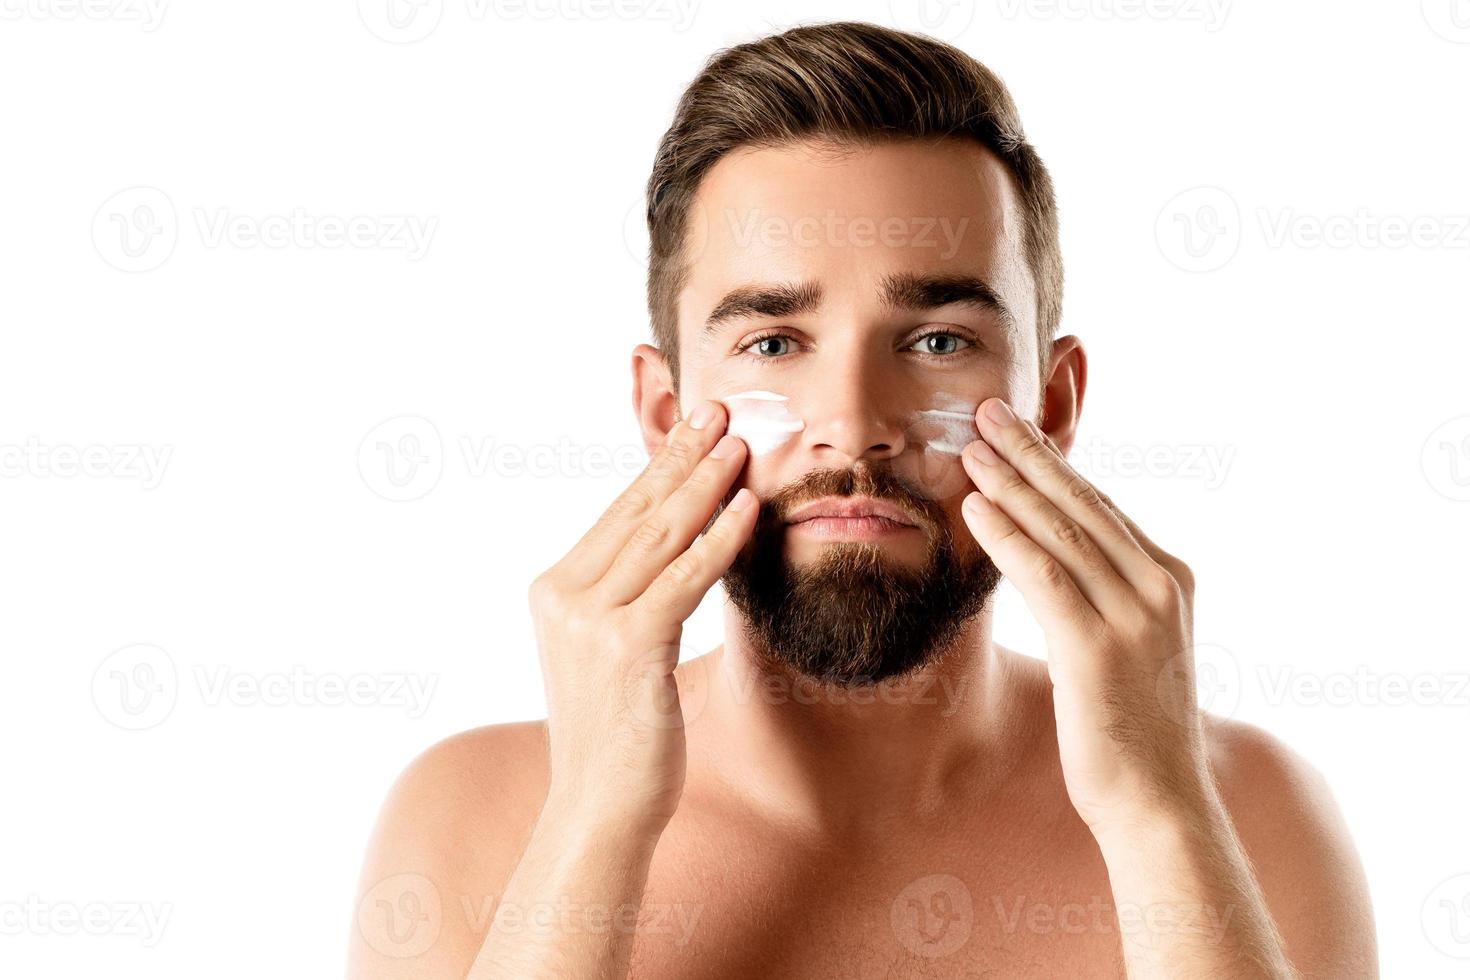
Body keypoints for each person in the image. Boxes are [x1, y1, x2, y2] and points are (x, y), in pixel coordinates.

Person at [348, 21, 1376, 979]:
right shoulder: (477, 816)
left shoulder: (1246, 812)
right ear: (667, 413)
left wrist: (1158, 819)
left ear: (1051, 404)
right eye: (773, 343)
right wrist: (592, 824)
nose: (852, 422)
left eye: (938, 343)